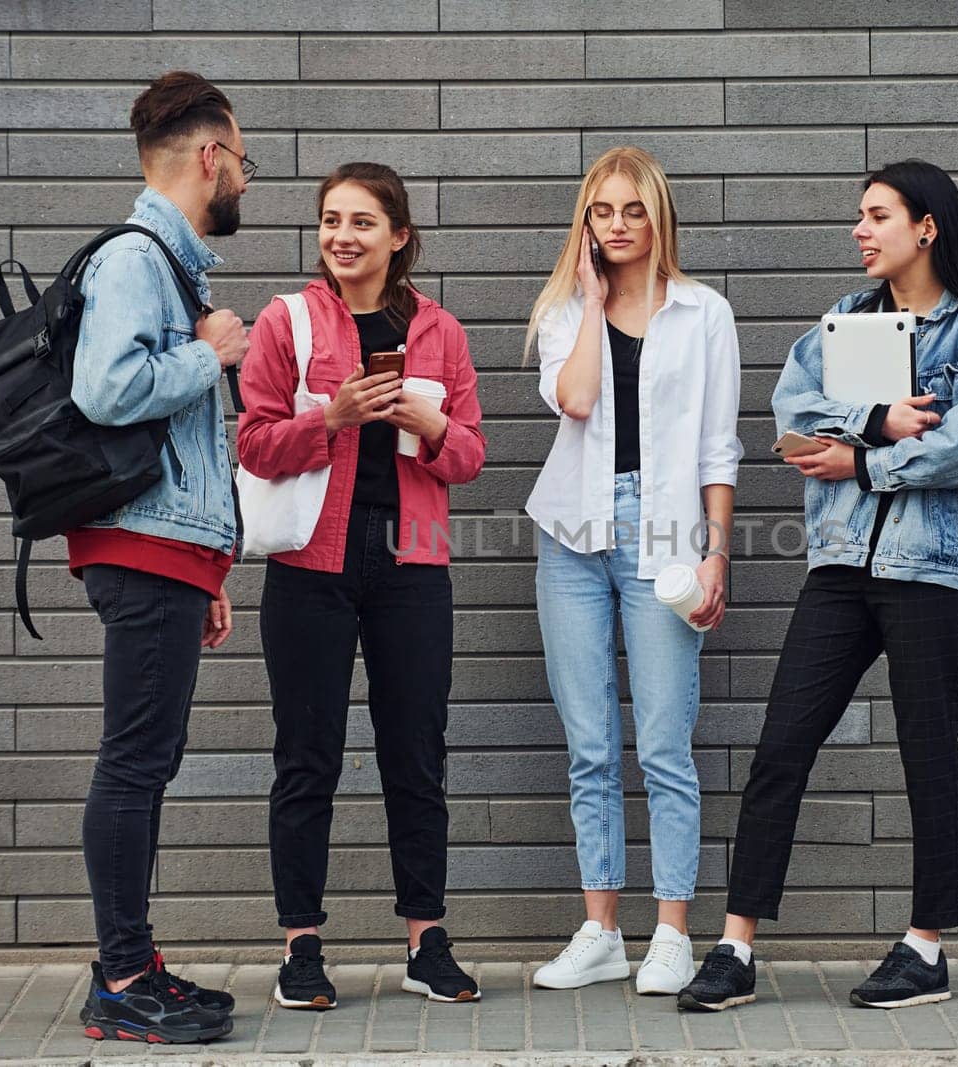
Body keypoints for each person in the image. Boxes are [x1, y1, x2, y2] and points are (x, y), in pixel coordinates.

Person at [678, 160, 958, 1013]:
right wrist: (874, 419)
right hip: (838, 563)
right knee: (781, 745)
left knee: (927, 750)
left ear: (927, 226)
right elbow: (792, 417)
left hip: (929, 568)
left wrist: (862, 460)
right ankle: (735, 946)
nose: (861, 230)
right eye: (859, 217)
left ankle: (926, 945)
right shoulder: (845, 322)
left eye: (878, 215)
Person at [237, 162, 487, 1010]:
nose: (344, 236)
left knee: (416, 755)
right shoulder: (288, 321)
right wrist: (331, 418)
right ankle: (300, 946)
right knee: (306, 758)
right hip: (311, 563)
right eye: (332, 220)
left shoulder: (441, 332)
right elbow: (254, 445)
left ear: (399, 236)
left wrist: (433, 424)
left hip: (411, 561)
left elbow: (471, 457)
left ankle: (426, 939)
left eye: (363, 222)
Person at [524, 146, 743, 997]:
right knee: (589, 745)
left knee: (662, 742)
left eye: (632, 211)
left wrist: (717, 550)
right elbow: (576, 399)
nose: (617, 226)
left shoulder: (704, 314)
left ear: (659, 218)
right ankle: (601, 929)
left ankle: (673, 931)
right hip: (571, 536)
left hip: (668, 538)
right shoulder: (560, 312)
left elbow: (720, 447)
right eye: (602, 211)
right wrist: (585, 297)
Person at [68, 70, 251, 1044]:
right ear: (209, 155)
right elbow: (106, 388)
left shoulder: (170, 267)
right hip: (141, 545)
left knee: (147, 756)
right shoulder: (139, 260)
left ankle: (132, 963)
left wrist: (210, 562)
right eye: (243, 162)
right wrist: (210, 353)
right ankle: (122, 975)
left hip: (165, 549)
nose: (244, 186)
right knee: (135, 762)